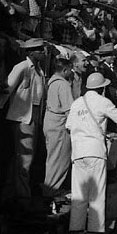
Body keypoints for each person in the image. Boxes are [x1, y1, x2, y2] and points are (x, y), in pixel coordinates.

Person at [66, 71, 117, 234]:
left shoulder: (77, 103)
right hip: (95, 151)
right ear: (103, 88)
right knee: (97, 193)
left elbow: (69, 126)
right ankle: (95, 233)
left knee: (79, 193)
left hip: (78, 152)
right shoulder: (103, 101)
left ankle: (77, 230)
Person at [0, 37, 47, 209]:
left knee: (23, 159)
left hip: (33, 118)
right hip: (22, 118)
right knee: (24, 161)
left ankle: (13, 195)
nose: (42, 52)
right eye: (39, 49)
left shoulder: (40, 71)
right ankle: (23, 199)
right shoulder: (22, 67)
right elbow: (7, 88)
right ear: (30, 52)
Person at [42, 57, 74, 201]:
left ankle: (50, 188)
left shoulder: (51, 82)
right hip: (59, 125)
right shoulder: (63, 85)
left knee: (52, 158)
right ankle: (52, 189)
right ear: (65, 70)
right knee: (60, 159)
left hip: (49, 122)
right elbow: (69, 110)